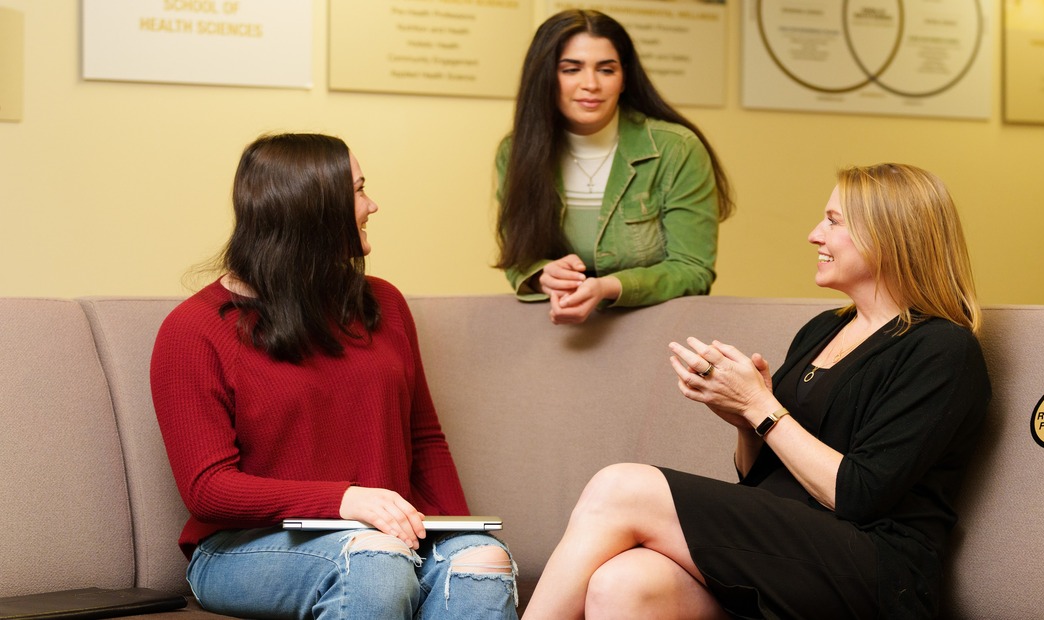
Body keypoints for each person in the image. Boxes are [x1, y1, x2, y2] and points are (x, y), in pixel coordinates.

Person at [522, 163, 991, 619]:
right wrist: (747, 423)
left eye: (833, 221)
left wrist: (760, 406)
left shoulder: (942, 348)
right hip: (787, 551)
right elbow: (759, 477)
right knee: (622, 583)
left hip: (874, 568)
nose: (814, 235)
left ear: (887, 236)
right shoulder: (823, 330)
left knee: (620, 487)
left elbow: (859, 495)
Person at [150, 133, 517, 619]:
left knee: (482, 561)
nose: (372, 205)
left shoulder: (384, 303)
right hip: (243, 548)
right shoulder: (193, 330)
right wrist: (342, 500)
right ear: (314, 213)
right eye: (359, 191)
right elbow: (209, 488)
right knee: (375, 563)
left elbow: (424, 439)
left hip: (387, 542)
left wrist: (458, 533)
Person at [494, 9, 734, 325]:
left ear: (624, 79)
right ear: (545, 77)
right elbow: (517, 258)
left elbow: (693, 270)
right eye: (571, 69)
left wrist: (608, 287)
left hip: (656, 329)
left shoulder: (677, 148)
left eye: (606, 70)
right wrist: (542, 276)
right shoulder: (515, 151)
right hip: (556, 329)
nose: (590, 84)